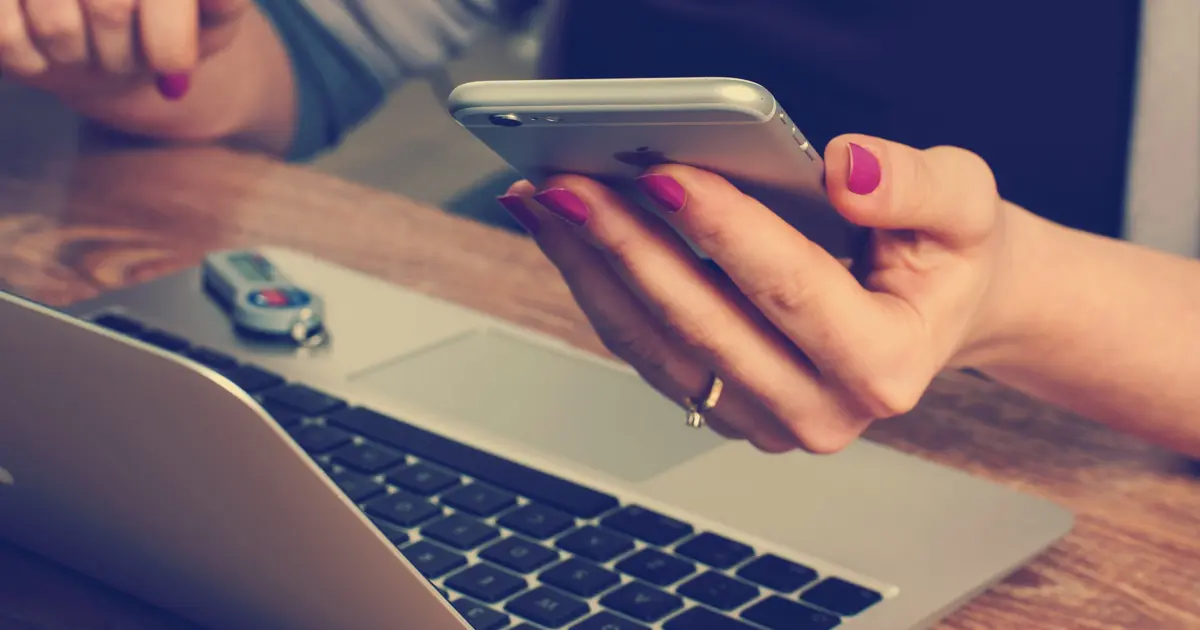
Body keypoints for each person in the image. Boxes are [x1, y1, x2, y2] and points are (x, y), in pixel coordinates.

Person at [2, 0, 1198, 457]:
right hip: (566, 371)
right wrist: (132, 42)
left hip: (1085, 470)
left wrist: (1014, 295)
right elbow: (300, 56)